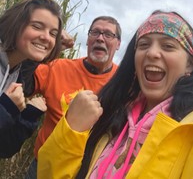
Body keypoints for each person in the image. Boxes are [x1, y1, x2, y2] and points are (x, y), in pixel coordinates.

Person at [37, 10, 193, 179]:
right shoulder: (111, 112)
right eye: (144, 45)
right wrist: (71, 129)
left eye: (168, 46)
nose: (152, 53)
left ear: (190, 64)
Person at [25, 15, 121, 178]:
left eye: (108, 34)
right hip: (44, 167)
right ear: (87, 40)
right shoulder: (57, 67)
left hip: (90, 172)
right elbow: (21, 82)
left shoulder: (124, 82)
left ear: (118, 44)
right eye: (94, 32)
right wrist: (50, 48)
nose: (100, 38)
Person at [0, 0, 63, 158]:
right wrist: (6, 107)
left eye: (53, 33)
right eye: (37, 26)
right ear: (15, 24)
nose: (46, 37)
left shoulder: (16, 75)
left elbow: (5, 148)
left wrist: (28, 116)